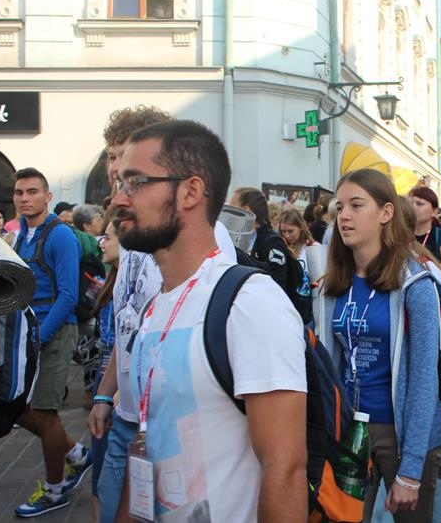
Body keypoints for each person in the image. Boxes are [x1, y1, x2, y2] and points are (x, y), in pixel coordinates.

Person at [113, 120, 307, 520]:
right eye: (119, 184)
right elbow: (149, 440)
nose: (118, 199)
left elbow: (285, 469)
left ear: (190, 191)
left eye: (134, 183)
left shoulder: (250, 303)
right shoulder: (155, 307)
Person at [87, 105, 237, 523]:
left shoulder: (206, 243)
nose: (114, 173)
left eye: (126, 165)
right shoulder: (135, 238)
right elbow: (131, 326)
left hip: (172, 424)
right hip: (128, 417)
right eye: (112, 161)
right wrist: (105, 393)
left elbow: (209, 327)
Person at [316, 168, 441, 522]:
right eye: (340, 207)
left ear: (386, 212)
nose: (344, 216)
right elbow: (331, 362)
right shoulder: (333, 284)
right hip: (350, 429)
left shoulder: (415, 284)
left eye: (356, 205)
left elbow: (424, 380)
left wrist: (411, 470)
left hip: (401, 432)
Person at [12, 168, 93, 518]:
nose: (24, 198)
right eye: (19, 192)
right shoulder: (21, 235)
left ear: (47, 197)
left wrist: (39, 337)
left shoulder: (59, 235)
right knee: (15, 407)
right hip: (30, 333)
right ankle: (77, 454)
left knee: (45, 413)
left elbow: (68, 295)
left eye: (32, 191)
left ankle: (56, 489)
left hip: (54, 333)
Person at [88, 207, 119, 522]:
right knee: (100, 471)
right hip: (105, 381)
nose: (101, 243)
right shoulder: (114, 280)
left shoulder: (134, 284)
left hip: (116, 388)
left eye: (108, 238)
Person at [230, 186, 290, 290]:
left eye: (232, 208)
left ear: (245, 210)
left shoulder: (271, 242)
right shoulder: (241, 238)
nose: (229, 214)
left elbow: (277, 283)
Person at [279, 208, 320, 277]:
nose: (286, 235)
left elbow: (320, 278)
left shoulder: (313, 247)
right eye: (283, 231)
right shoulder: (281, 247)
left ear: (301, 227)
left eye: (290, 231)